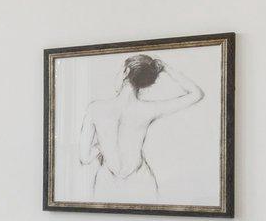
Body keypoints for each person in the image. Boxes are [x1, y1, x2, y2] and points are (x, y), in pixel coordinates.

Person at [77, 54, 203, 202]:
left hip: (106, 182)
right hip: (140, 180)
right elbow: (197, 94)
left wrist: (101, 146)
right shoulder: (148, 109)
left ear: (126, 71)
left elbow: (85, 158)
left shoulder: (95, 109)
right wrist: (165, 68)